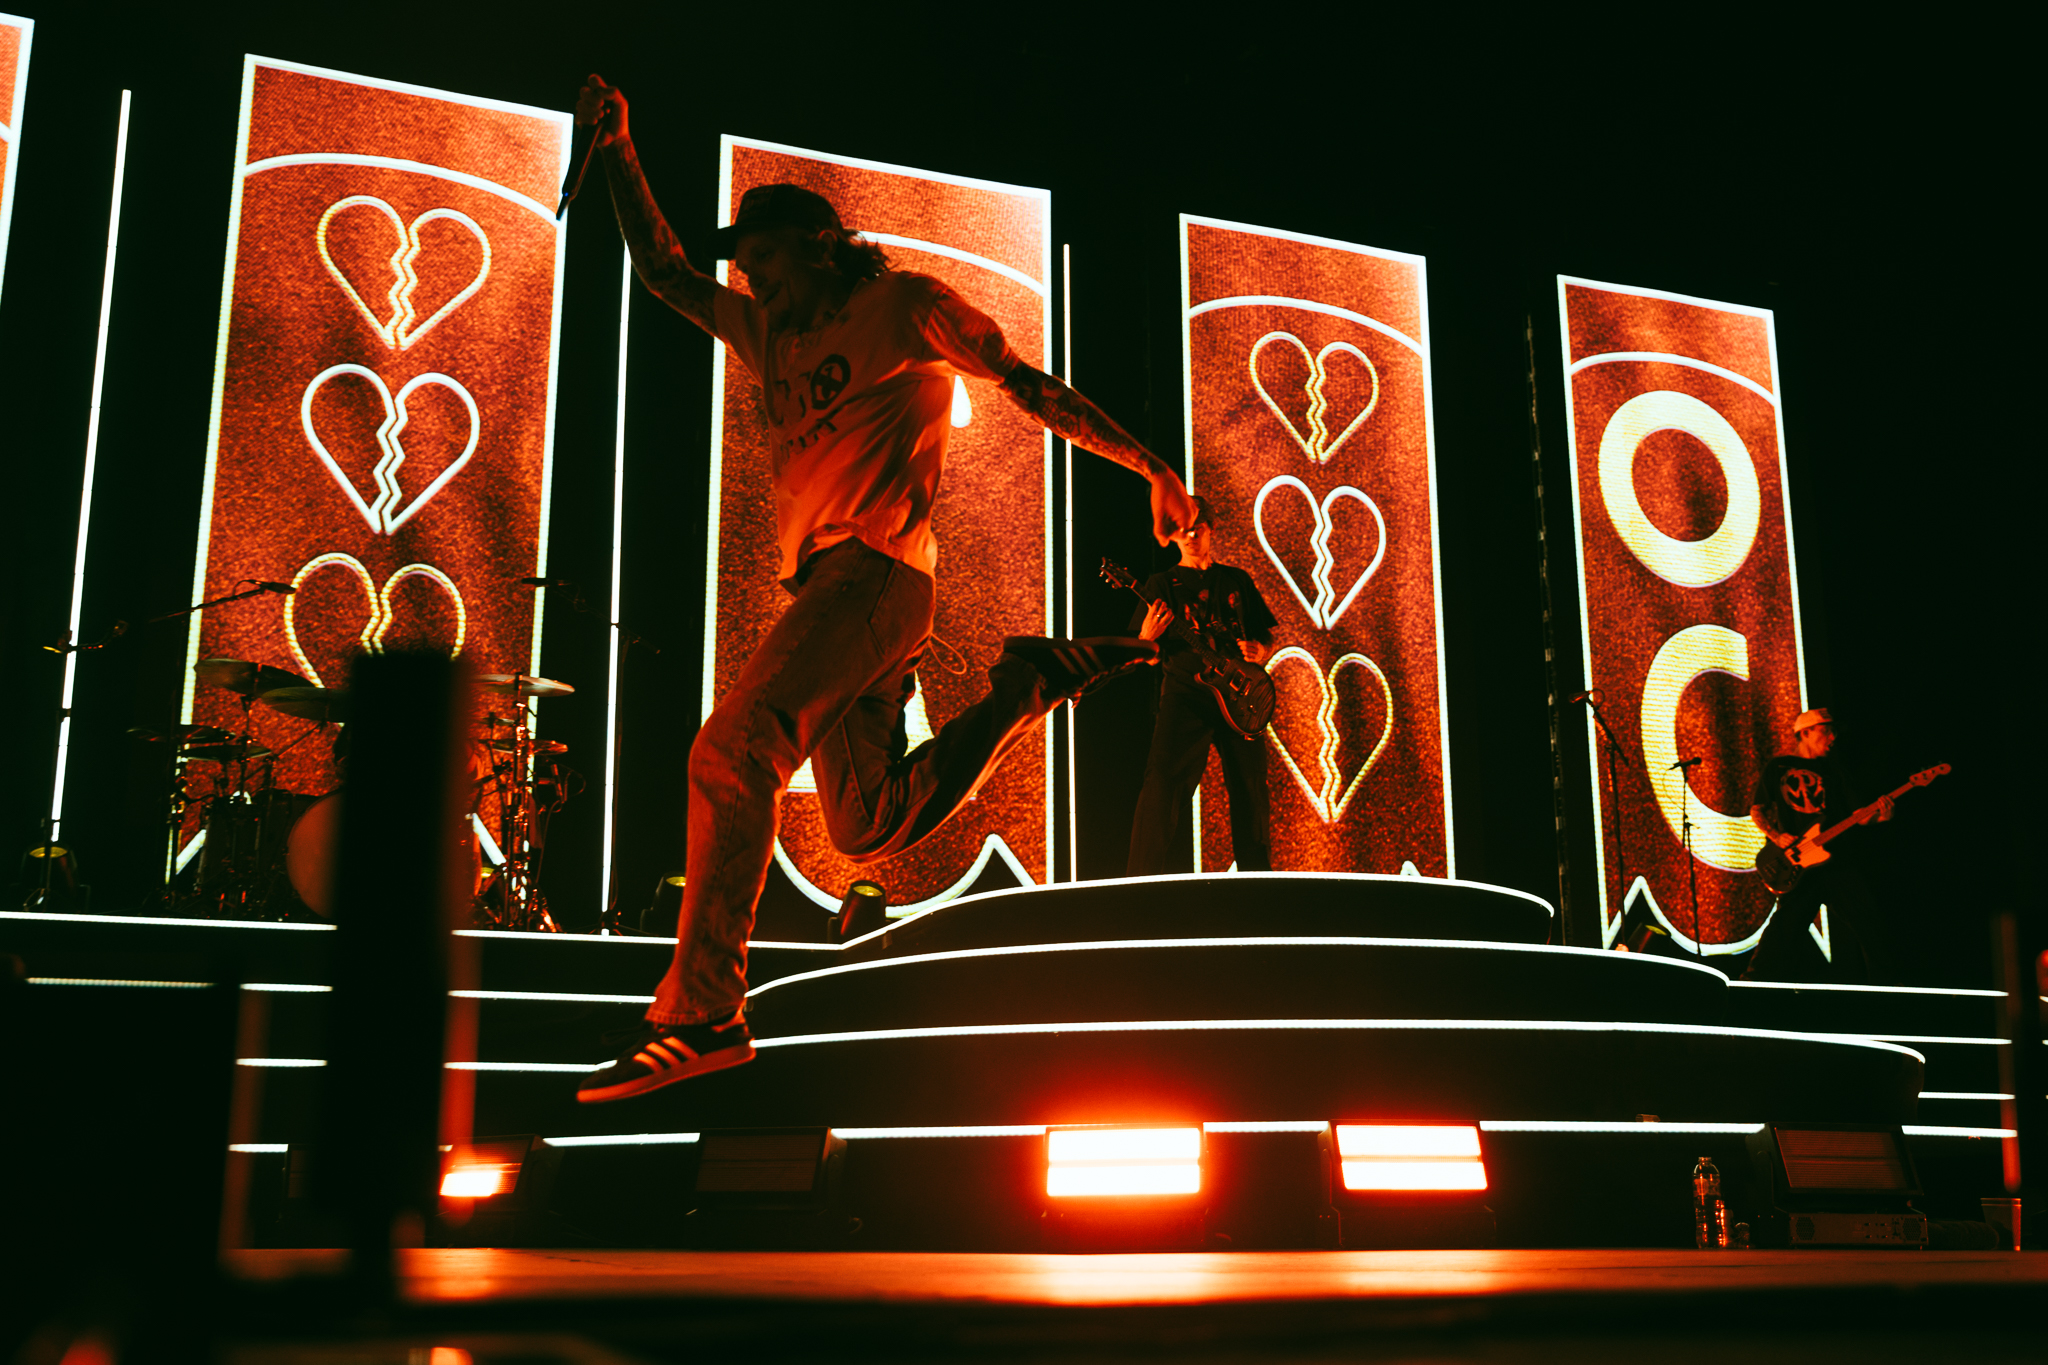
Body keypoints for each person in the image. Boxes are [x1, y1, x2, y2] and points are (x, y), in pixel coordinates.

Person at [572, 76, 1197, 1103]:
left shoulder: (903, 307)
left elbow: (1028, 386)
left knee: (733, 749)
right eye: (748, 272)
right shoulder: (768, 334)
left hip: (877, 573)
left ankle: (703, 1013)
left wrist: (1150, 467)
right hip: (828, 590)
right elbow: (666, 273)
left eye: (767, 264)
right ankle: (1028, 685)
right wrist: (618, 152)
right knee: (867, 824)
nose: (757, 287)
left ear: (820, 246)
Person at [1125, 496, 1278, 876]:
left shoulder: (1237, 580)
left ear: (1211, 530)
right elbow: (1142, 655)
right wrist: (1146, 637)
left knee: (1251, 790)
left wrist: (1260, 649)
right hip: (1186, 695)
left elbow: (1264, 635)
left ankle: (1259, 885)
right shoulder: (1160, 584)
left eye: (1199, 529)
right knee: (1162, 783)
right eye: (1184, 531)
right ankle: (1140, 882)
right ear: (1174, 536)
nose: (1192, 537)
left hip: (1241, 697)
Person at [1743, 707, 1894, 983]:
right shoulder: (1778, 767)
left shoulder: (1835, 771)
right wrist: (1777, 837)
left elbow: (1858, 817)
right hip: (1798, 863)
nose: (1832, 737)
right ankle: (1754, 983)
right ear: (1805, 733)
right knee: (1784, 930)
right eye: (1826, 731)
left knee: (1869, 923)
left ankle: (1890, 985)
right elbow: (1757, 809)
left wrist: (1881, 817)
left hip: (1838, 860)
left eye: (1833, 731)